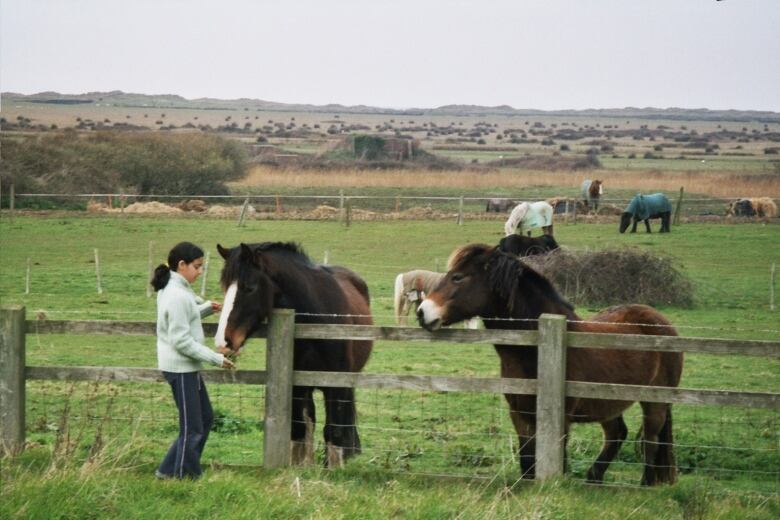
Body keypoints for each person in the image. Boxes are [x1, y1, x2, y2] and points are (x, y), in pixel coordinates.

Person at [150, 241, 235, 480]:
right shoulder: (176, 294)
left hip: (186, 368)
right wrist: (215, 358)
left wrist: (206, 308)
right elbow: (180, 340)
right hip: (181, 369)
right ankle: (185, 476)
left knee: (204, 419)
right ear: (182, 265)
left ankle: (167, 471)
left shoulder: (177, 289)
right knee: (193, 428)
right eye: (197, 267)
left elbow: (183, 318)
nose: (199, 272)